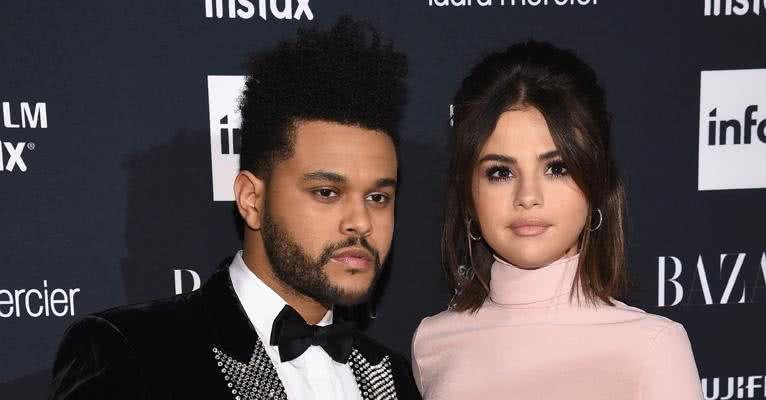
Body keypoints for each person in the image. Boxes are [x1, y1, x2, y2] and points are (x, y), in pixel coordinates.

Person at [49, 17, 421, 400]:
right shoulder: (132, 352)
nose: (361, 222)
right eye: (327, 192)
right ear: (251, 199)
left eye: (378, 198)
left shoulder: (396, 379)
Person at [411, 41, 702, 400]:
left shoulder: (652, 347)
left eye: (557, 167)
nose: (528, 196)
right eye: (500, 172)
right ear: (468, 193)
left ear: (595, 182)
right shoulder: (431, 344)